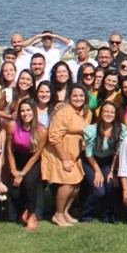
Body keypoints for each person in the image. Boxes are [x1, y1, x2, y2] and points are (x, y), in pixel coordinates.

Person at [41, 84, 92, 227]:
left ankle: (65, 212)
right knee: (68, 183)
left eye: (81, 96)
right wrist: (64, 160)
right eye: (75, 95)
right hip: (59, 153)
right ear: (69, 97)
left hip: (75, 154)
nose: (78, 98)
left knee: (76, 185)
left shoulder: (87, 113)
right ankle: (57, 214)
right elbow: (54, 137)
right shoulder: (63, 113)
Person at [81, 99, 126, 223]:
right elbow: (88, 153)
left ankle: (106, 215)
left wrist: (112, 171)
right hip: (90, 160)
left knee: (111, 184)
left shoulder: (120, 129)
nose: (109, 114)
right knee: (99, 191)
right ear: (100, 113)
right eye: (106, 111)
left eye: (112, 112)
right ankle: (86, 214)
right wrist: (97, 171)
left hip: (108, 161)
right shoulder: (91, 130)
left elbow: (117, 152)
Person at [7, 98, 47, 231]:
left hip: (32, 161)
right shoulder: (12, 125)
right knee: (14, 190)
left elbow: (36, 155)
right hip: (17, 158)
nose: (25, 113)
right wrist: (13, 170)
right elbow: (8, 149)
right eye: (22, 111)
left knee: (28, 181)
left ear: (33, 112)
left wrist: (22, 174)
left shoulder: (41, 130)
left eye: (28, 110)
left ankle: (32, 215)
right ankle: (23, 209)